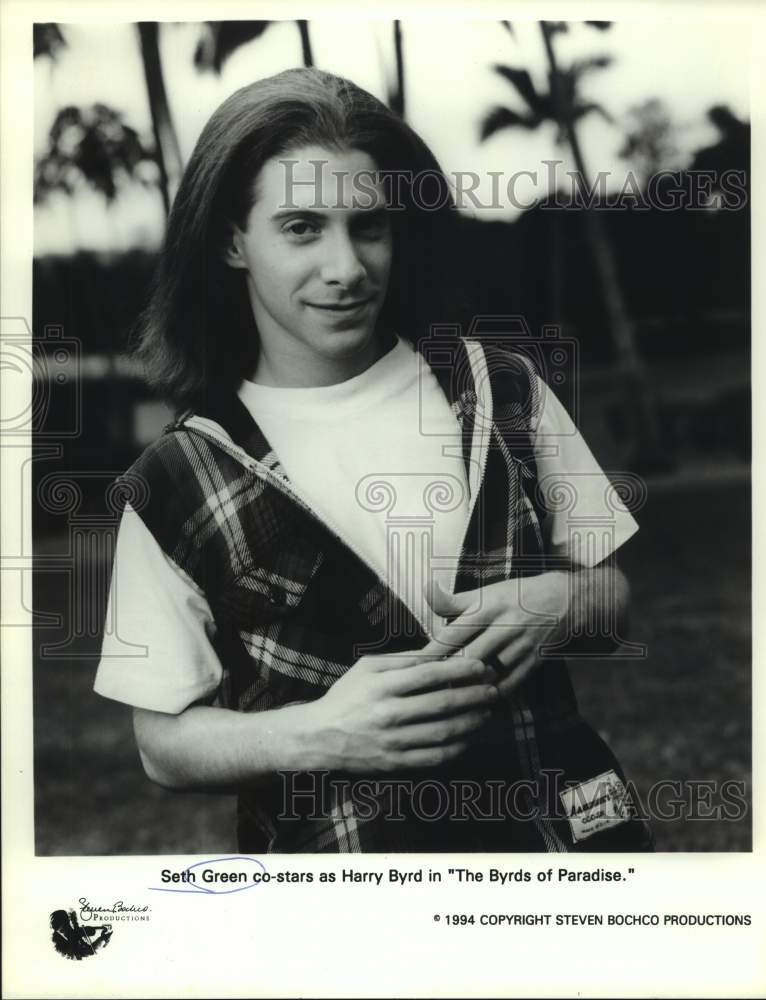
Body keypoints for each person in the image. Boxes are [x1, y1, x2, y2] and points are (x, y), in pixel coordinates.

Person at [95, 67, 653, 853]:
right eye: (301, 227)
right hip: (343, 901)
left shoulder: (503, 390)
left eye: (368, 226)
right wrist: (320, 734)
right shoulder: (176, 480)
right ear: (231, 240)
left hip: (560, 855)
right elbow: (161, 741)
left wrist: (562, 602)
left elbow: (614, 598)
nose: (347, 267)